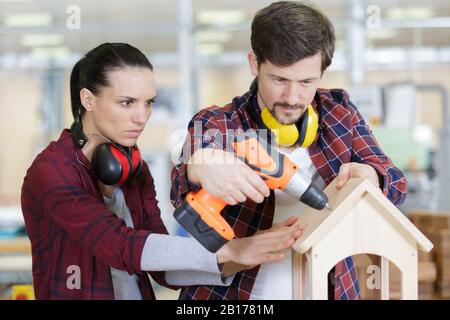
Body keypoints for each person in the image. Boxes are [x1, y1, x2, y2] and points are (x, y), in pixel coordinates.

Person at [20, 42, 305, 300]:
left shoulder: (135, 169)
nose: (142, 117)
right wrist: (232, 249)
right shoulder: (52, 171)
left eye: (148, 103)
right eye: (127, 102)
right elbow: (120, 245)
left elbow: (164, 270)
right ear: (88, 100)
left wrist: (245, 255)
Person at [170, 1, 407, 300]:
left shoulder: (339, 113)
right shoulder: (221, 122)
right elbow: (186, 168)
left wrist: (371, 177)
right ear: (255, 64)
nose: (293, 97)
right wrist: (201, 164)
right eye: (279, 79)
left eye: (307, 81)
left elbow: (397, 184)